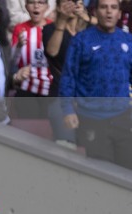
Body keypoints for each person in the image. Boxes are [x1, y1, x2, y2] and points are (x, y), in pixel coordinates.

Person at [60, 0, 132, 169]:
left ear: (119, 14)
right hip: (91, 120)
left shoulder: (128, 41)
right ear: (95, 12)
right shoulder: (81, 40)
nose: (109, 12)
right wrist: (68, 110)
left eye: (113, 8)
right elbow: (69, 77)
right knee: (100, 175)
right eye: (104, 7)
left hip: (123, 119)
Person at [42, 0, 90, 147]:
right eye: (67, 2)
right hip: (61, 98)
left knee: (95, 150)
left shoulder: (91, 32)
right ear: (58, 7)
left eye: (76, 2)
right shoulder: (50, 29)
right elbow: (52, 51)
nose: (72, 6)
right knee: (66, 146)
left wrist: (87, 20)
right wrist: (61, 22)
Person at [11, 0, 53, 118]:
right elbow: (12, 62)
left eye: (41, 2)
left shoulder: (54, 29)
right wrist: (18, 46)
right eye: (32, 2)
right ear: (26, 7)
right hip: (26, 87)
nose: (36, 6)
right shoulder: (20, 29)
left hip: (49, 89)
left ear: (47, 7)